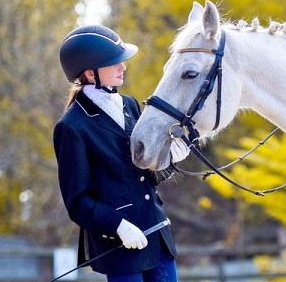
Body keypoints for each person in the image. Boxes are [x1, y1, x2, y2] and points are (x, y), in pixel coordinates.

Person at [53, 25, 189, 281]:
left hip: (157, 235)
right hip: (121, 245)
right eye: (114, 62)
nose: (122, 66)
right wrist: (119, 226)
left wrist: (169, 160)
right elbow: (78, 203)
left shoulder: (130, 106)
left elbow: (144, 173)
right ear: (90, 74)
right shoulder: (71, 127)